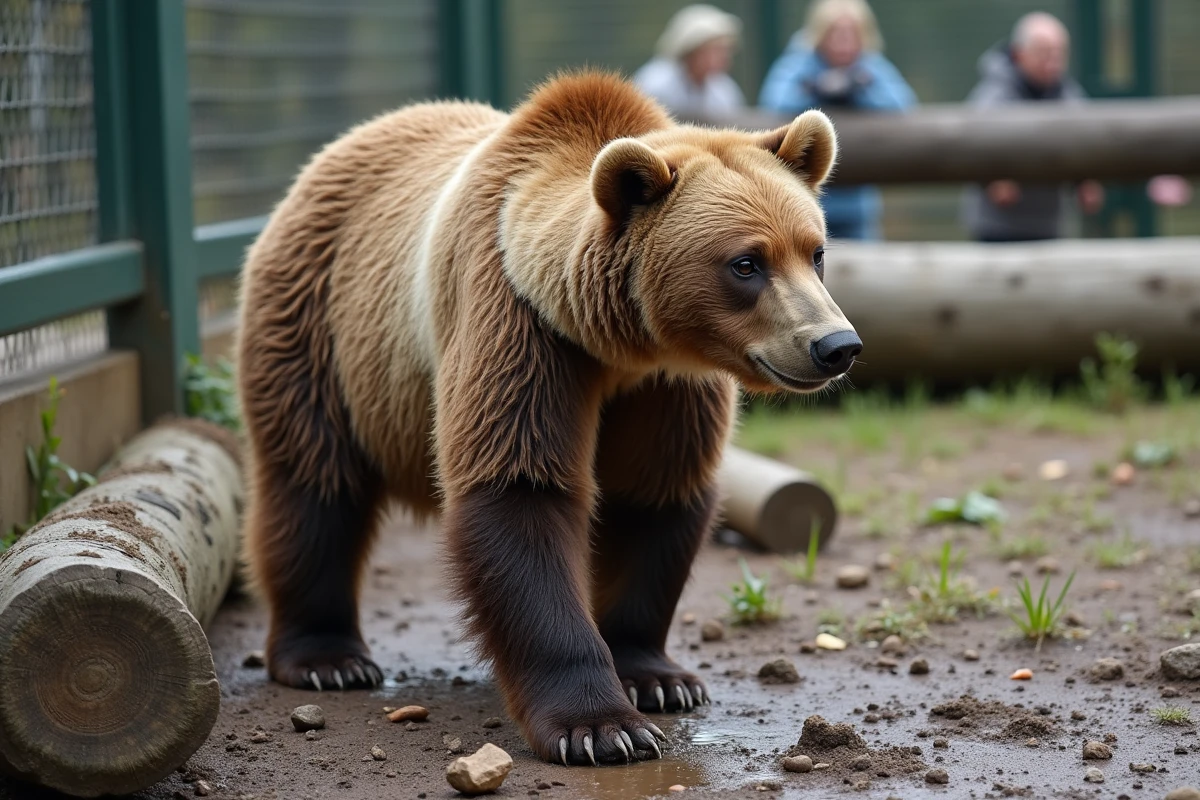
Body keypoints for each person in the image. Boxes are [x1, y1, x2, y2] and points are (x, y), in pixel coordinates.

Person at [759, 0, 916, 241]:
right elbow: (776, 101)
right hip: (803, 204)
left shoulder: (868, 65)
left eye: (851, 33)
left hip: (857, 203)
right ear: (821, 34)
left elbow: (902, 103)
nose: (844, 42)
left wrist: (859, 90)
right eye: (836, 33)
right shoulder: (800, 62)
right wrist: (817, 90)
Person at [962, 12, 1104, 242]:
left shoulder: (1070, 97)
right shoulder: (992, 96)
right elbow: (968, 144)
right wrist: (991, 177)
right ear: (1019, 53)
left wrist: (1084, 181)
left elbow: (1085, 143)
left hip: (1049, 226)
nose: (1053, 62)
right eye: (1044, 52)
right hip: (998, 228)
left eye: (1059, 53)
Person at [633, 4, 745, 117]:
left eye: (726, 49)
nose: (725, 56)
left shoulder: (724, 91)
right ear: (693, 50)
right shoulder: (656, 84)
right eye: (717, 49)